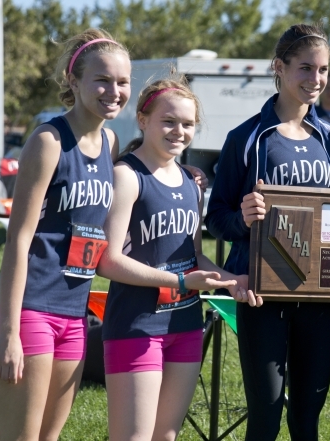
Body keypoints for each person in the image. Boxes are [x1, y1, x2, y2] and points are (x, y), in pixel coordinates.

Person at [0, 29, 131, 440]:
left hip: (75, 314)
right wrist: (9, 332)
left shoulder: (110, 142)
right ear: (74, 80)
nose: (113, 91)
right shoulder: (48, 141)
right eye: (102, 79)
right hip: (28, 310)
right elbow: (19, 239)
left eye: (122, 82)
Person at [205, 23, 330, 441]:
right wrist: (244, 217)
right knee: (265, 416)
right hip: (263, 293)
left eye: (322, 70)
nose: (315, 80)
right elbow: (217, 216)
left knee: (307, 418)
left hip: (320, 298)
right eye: (305, 68)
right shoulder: (246, 138)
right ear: (279, 68)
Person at [95, 76, 255, 441]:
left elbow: (194, 255)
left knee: (165, 436)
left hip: (184, 327)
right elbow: (108, 261)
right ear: (142, 119)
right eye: (168, 121)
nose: (178, 131)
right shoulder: (127, 176)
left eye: (187, 124)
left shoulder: (190, 182)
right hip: (136, 327)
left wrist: (233, 280)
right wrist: (181, 282)